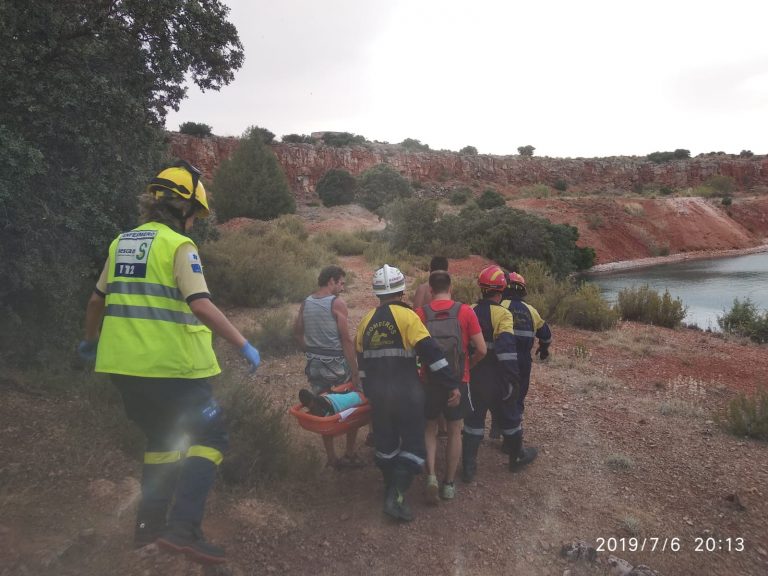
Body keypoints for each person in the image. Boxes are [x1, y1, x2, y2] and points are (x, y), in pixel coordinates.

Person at [78, 161, 261, 565]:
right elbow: (200, 303)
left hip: (123, 371)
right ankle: (184, 530)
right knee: (211, 437)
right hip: (173, 371)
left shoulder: (121, 242)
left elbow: (96, 300)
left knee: (161, 442)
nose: (195, 222)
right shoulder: (179, 246)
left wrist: (90, 343)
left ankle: (148, 527)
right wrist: (242, 343)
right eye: (195, 213)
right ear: (183, 209)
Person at [356, 264, 461, 522]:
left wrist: (370, 393)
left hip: (379, 395)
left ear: (377, 292)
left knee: (386, 446)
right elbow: (433, 356)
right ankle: (395, 496)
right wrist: (451, 384)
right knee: (414, 447)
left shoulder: (366, 321)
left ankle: (389, 489)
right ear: (401, 290)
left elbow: (363, 367)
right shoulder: (409, 318)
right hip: (407, 393)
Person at [415, 270, 486, 503]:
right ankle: (448, 484)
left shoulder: (421, 314)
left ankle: (431, 477)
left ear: (431, 290)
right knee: (455, 430)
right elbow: (482, 349)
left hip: (429, 381)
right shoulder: (465, 311)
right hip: (459, 380)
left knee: (430, 429)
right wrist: (469, 367)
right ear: (450, 287)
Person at [293, 265, 364, 469]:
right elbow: (346, 340)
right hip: (336, 365)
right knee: (352, 406)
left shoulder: (306, 302)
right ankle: (350, 453)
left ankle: (332, 457)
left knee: (321, 407)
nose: (342, 288)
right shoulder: (336, 303)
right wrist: (355, 371)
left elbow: (297, 333)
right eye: (341, 283)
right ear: (331, 281)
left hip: (314, 364)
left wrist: (311, 351)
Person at [462, 265, 521, 482]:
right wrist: (513, 380)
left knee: (474, 419)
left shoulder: (468, 310)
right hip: (497, 377)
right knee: (509, 416)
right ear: (502, 289)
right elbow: (506, 351)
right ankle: (517, 457)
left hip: (475, 375)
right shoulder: (504, 314)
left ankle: (468, 466)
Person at [500, 271, 552, 470]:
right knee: (517, 398)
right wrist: (544, 349)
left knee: (499, 394)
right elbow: (546, 334)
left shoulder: (500, 306)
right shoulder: (531, 310)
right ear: (522, 290)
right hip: (522, 361)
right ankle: (511, 444)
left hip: (501, 358)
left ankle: (498, 429)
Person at [412, 256, 450, 439]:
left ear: (429, 269)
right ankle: (442, 426)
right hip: (443, 342)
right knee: (443, 380)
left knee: (425, 381)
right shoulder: (447, 288)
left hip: (422, 340)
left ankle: (425, 421)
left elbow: (414, 315)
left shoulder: (421, 288)